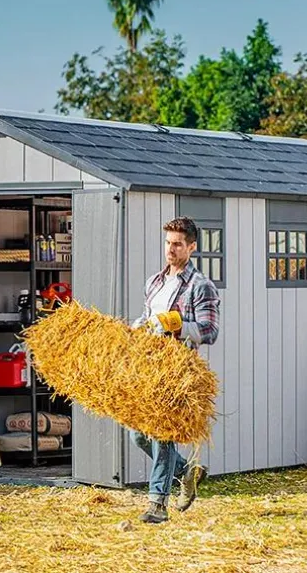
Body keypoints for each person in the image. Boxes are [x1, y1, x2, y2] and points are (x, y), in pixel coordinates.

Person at [129, 217, 221, 524]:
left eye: (178, 244)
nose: (171, 249)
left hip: (178, 370)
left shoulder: (200, 286)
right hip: (150, 367)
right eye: (168, 242)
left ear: (192, 247)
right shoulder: (155, 282)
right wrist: (141, 326)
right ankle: (187, 471)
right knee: (138, 437)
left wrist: (175, 324)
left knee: (163, 435)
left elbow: (209, 330)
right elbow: (147, 317)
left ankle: (157, 505)